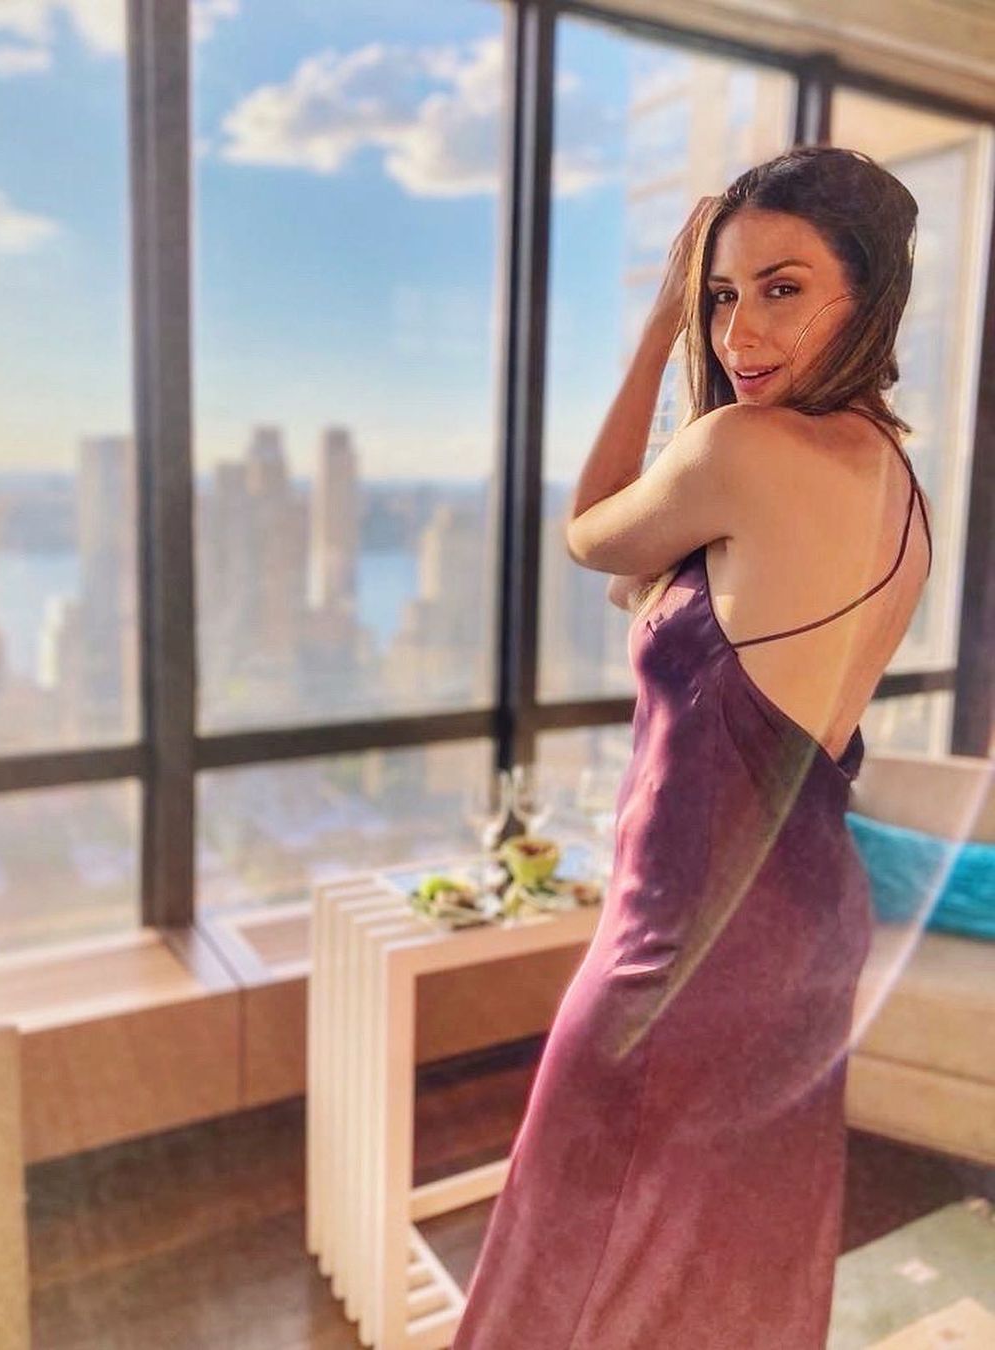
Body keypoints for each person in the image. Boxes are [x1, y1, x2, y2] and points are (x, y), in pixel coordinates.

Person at [451, 145, 933, 1349]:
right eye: (718, 295)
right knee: (725, 1268)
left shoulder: (742, 453)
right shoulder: (898, 484)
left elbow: (588, 532)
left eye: (783, 287)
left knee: (573, 1256)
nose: (738, 331)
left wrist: (658, 325)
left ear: (869, 294)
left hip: (690, 944)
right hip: (804, 930)